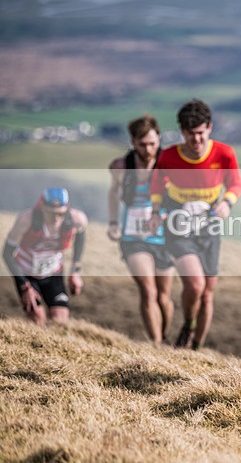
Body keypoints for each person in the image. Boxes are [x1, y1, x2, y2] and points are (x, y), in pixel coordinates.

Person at [148, 99, 241, 350]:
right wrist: (156, 211)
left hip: (209, 226)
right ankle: (189, 323)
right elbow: (156, 184)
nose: (196, 141)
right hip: (178, 225)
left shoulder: (224, 153)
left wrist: (227, 203)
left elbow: (235, 184)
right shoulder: (169, 156)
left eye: (200, 133)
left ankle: (196, 347)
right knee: (195, 284)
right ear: (182, 132)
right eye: (190, 135)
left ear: (209, 128)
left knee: (208, 293)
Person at [108, 114, 175, 345]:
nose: (148, 149)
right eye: (142, 144)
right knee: (148, 291)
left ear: (159, 140)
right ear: (133, 142)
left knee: (164, 296)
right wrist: (113, 223)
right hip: (132, 236)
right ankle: (156, 345)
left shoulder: (169, 164)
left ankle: (164, 337)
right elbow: (113, 193)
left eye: (153, 144)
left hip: (164, 237)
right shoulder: (121, 166)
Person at [3, 187, 88, 324]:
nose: (56, 219)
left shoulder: (76, 219)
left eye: (60, 214)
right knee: (38, 318)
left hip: (53, 272)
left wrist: (75, 272)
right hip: (27, 274)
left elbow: (81, 237)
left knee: (60, 319)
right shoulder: (26, 220)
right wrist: (24, 286)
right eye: (51, 214)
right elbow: (7, 253)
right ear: (42, 208)